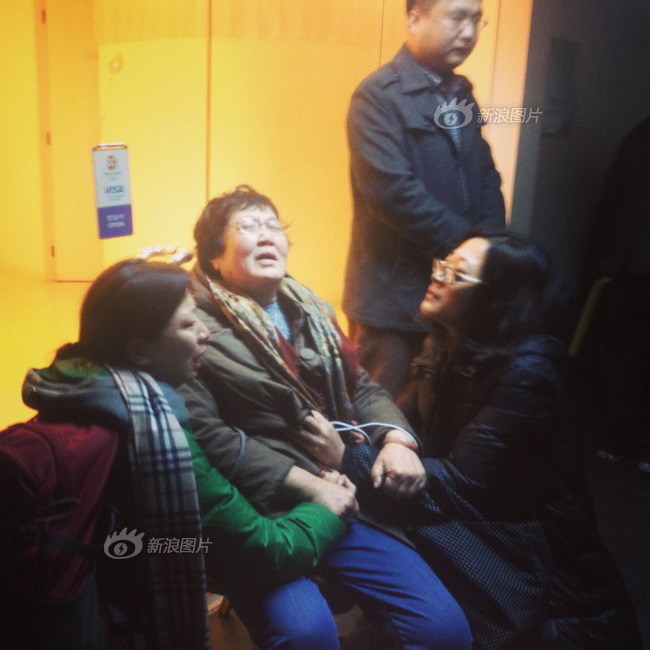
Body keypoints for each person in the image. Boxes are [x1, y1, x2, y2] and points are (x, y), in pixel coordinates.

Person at [302, 230, 642, 648]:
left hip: (532, 558)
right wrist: (391, 443)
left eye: (457, 275)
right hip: (477, 525)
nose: (438, 276)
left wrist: (347, 457)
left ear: (496, 299)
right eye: (442, 265)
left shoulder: (527, 373)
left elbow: (465, 486)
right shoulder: (445, 345)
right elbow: (408, 432)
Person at [178, 184, 472, 650]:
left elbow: (362, 387)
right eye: (248, 227)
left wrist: (398, 440)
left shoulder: (309, 307)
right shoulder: (189, 324)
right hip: (260, 510)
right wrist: (307, 483)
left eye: (273, 225)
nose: (266, 235)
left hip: (345, 491)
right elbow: (207, 436)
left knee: (443, 630)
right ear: (214, 255)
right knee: (307, 635)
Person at [18, 257, 356, 649]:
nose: (204, 333)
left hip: (109, 553)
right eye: (187, 324)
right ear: (139, 350)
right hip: (141, 554)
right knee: (304, 626)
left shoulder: (80, 386)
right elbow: (263, 552)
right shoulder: (151, 430)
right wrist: (326, 508)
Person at [343, 0, 505, 399]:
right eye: (457, 17)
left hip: (456, 297)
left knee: (441, 414)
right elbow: (392, 193)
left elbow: (485, 176)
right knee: (384, 418)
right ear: (415, 18)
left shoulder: (461, 92)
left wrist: (492, 248)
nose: (469, 32)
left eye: (477, 20)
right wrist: (469, 253)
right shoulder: (378, 95)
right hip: (394, 301)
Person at [589, 116, 650, 473]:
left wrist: (606, 254)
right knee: (624, 353)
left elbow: (614, 200)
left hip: (631, 262)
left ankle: (618, 439)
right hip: (632, 263)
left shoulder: (639, 136)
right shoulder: (639, 137)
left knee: (624, 354)